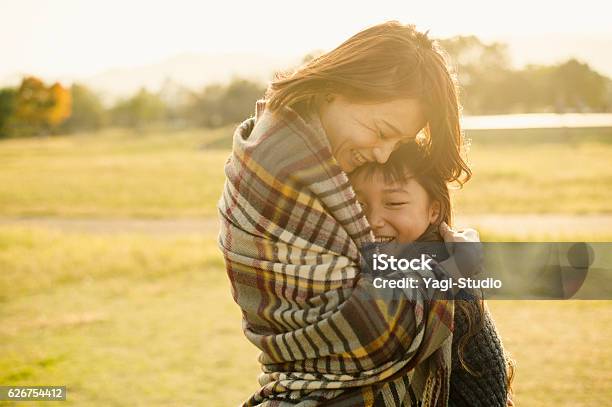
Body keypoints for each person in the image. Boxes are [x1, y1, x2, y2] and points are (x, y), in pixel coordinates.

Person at [218, 21, 481, 406]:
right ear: (335, 89)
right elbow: (368, 336)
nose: (383, 154)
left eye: (400, 142)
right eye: (381, 131)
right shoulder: (281, 164)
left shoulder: (318, 158)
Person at [348, 142, 515, 406]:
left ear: (433, 210)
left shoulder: (454, 293)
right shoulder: (346, 272)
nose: (373, 220)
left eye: (394, 202)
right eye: (358, 204)